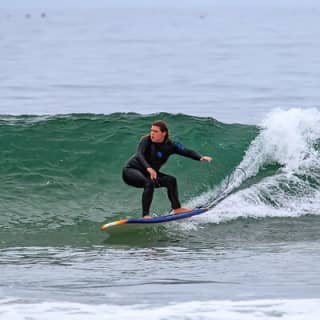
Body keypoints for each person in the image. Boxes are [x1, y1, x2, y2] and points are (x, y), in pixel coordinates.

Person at [122, 120, 212, 218]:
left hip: (147, 174)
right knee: (149, 182)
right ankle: (146, 215)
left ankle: (177, 209)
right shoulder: (146, 141)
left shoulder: (171, 145)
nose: (152, 133)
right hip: (130, 171)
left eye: (155, 131)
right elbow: (139, 154)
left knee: (171, 181)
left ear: (163, 133)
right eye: (151, 130)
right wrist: (148, 168)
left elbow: (186, 151)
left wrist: (199, 157)